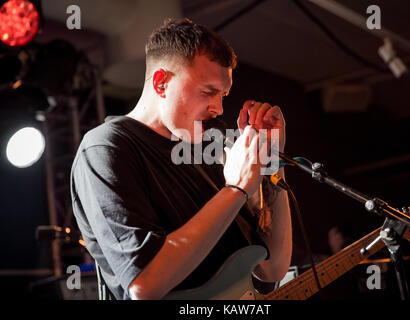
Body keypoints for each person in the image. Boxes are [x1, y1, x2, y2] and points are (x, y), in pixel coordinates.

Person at [70, 18, 292, 300]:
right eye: (208, 92)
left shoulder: (211, 143)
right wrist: (235, 190)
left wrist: (272, 162)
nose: (218, 107)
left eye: (223, 95)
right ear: (162, 83)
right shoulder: (106, 148)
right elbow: (144, 285)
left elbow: (272, 269)